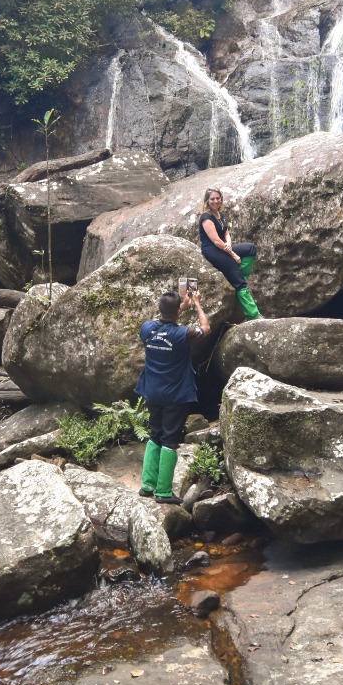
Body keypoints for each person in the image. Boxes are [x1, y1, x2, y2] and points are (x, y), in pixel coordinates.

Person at [134, 288, 211, 504]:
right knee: (170, 440)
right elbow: (205, 327)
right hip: (175, 394)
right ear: (177, 311)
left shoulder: (147, 329)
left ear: (159, 308)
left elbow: (166, 319)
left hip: (151, 391)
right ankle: (164, 491)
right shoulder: (182, 334)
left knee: (154, 434)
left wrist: (180, 305)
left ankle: (147, 484)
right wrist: (196, 303)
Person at [198, 188, 260, 319]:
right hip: (212, 250)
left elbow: (226, 232)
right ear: (207, 201)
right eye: (212, 199)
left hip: (224, 247)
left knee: (250, 249)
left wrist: (229, 242)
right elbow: (215, 241)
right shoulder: (206, 218)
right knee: (239, 283)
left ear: (221, 199)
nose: (215, 201)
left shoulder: (220, 215)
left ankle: (237, 275)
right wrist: (233, 254)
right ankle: (253, 316)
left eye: (217, 198)